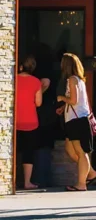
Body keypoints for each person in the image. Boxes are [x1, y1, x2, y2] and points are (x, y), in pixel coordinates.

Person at [55, 53, 96, 191]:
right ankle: (91, 173)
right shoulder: (77, 80)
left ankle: (81, 184)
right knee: (70, 149)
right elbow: (77, 101)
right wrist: (64, 107)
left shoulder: (73, 80)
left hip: (77, 120)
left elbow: (73, 101)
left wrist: (62, 98)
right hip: (74, 119)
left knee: (81, 152)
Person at [16, 55, 49, 190]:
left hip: (14, 120)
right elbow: (38, 103)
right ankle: (27, 182)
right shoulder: (36, 82)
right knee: (28, 152)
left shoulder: (13, 79)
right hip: (30, 121)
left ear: (20, 66)